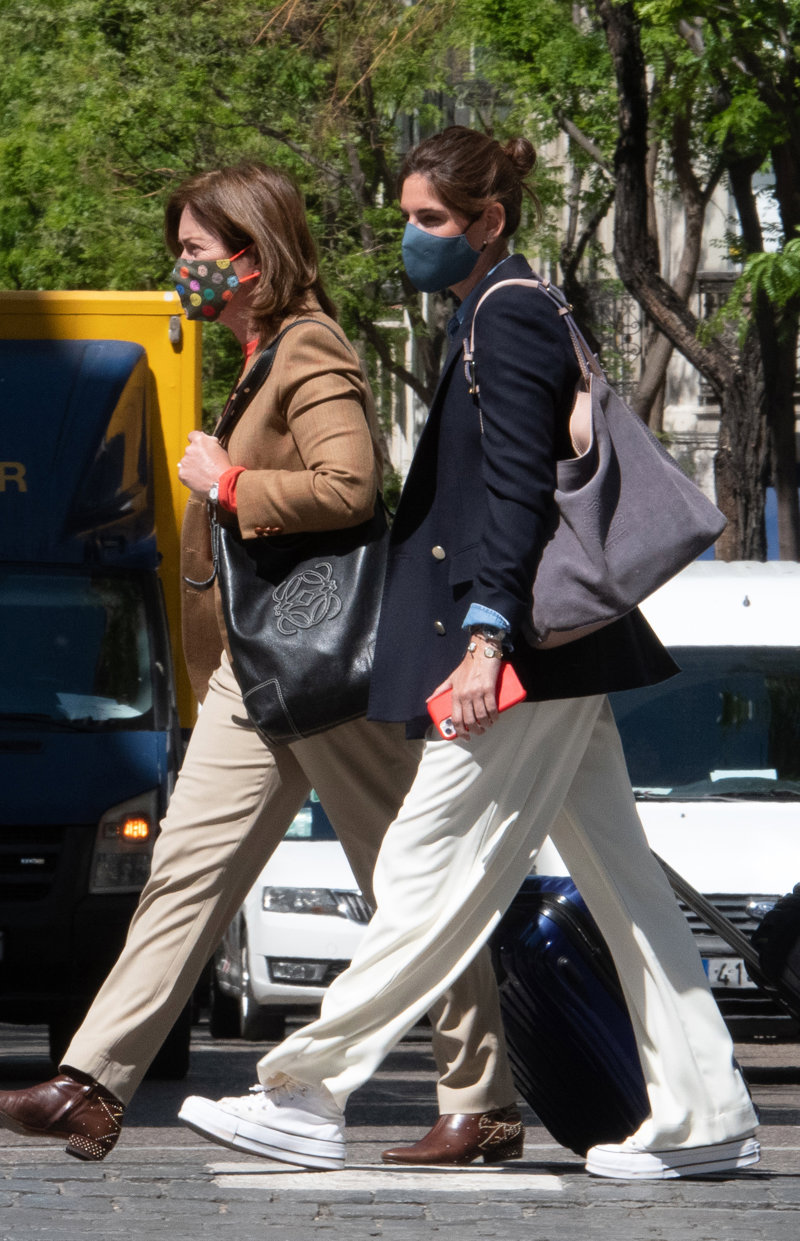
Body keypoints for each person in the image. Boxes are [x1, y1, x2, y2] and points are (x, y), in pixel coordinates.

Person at [178, 129, 761, 1181]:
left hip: (516, 653)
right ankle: (707, 1105)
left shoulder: (510, 314)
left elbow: (512, 498)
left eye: (431, 221)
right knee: (622, 885)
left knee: (423, 863)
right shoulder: (490, 312)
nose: (412, 236)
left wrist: (486, 640)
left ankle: (306, 1091)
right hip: (549, 659)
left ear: (487, 222)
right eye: (407, 215)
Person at [0, 160, 522, 1166]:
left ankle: (482, 1098)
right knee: (183, 877)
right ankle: (92, 1082)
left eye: (195, 252)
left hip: (324, 669)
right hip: (257, 670)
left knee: (410, 884)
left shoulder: (309, 348)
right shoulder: (256, 353)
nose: (181, 268)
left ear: (253, 253)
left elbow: (351, 483)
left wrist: (228, 479)